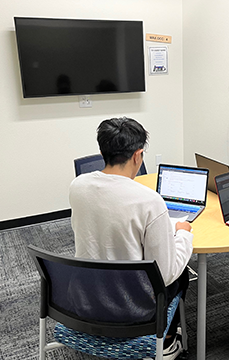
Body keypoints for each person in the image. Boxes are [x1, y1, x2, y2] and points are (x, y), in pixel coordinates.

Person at [69, 117, 193, 360]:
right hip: (132, 309)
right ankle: (166, 342)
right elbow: (165, 274)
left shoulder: (78, 186)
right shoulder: (149, 201)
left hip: (84, 298)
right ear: (138, 155)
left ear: (103, 150)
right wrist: (182, 235)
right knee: (182, 274)